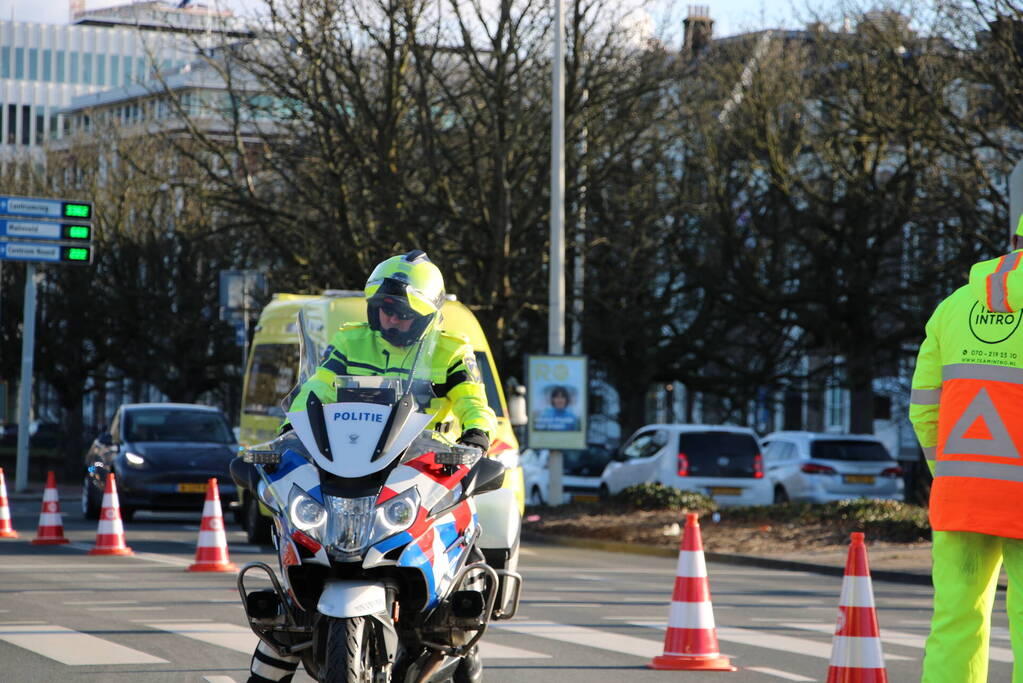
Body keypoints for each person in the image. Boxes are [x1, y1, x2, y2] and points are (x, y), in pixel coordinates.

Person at [247, 249, 494, 683]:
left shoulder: (451, 350)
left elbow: (473, 400)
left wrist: (476, 436)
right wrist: (290, 429)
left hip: (424, 462)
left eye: (402, 314)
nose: (391, 320)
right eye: (383, 309)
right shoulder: (351, 342)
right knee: (299, 546)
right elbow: (317, 388)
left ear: (425, 315)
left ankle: (461, 631)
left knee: (464, 522)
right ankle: (284, 633)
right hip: (352, 460)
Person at [910, 219, 1023, 683]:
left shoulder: (954, 306)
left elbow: (923, 409)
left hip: (961, 494)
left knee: (955, 623)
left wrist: (950, 473)